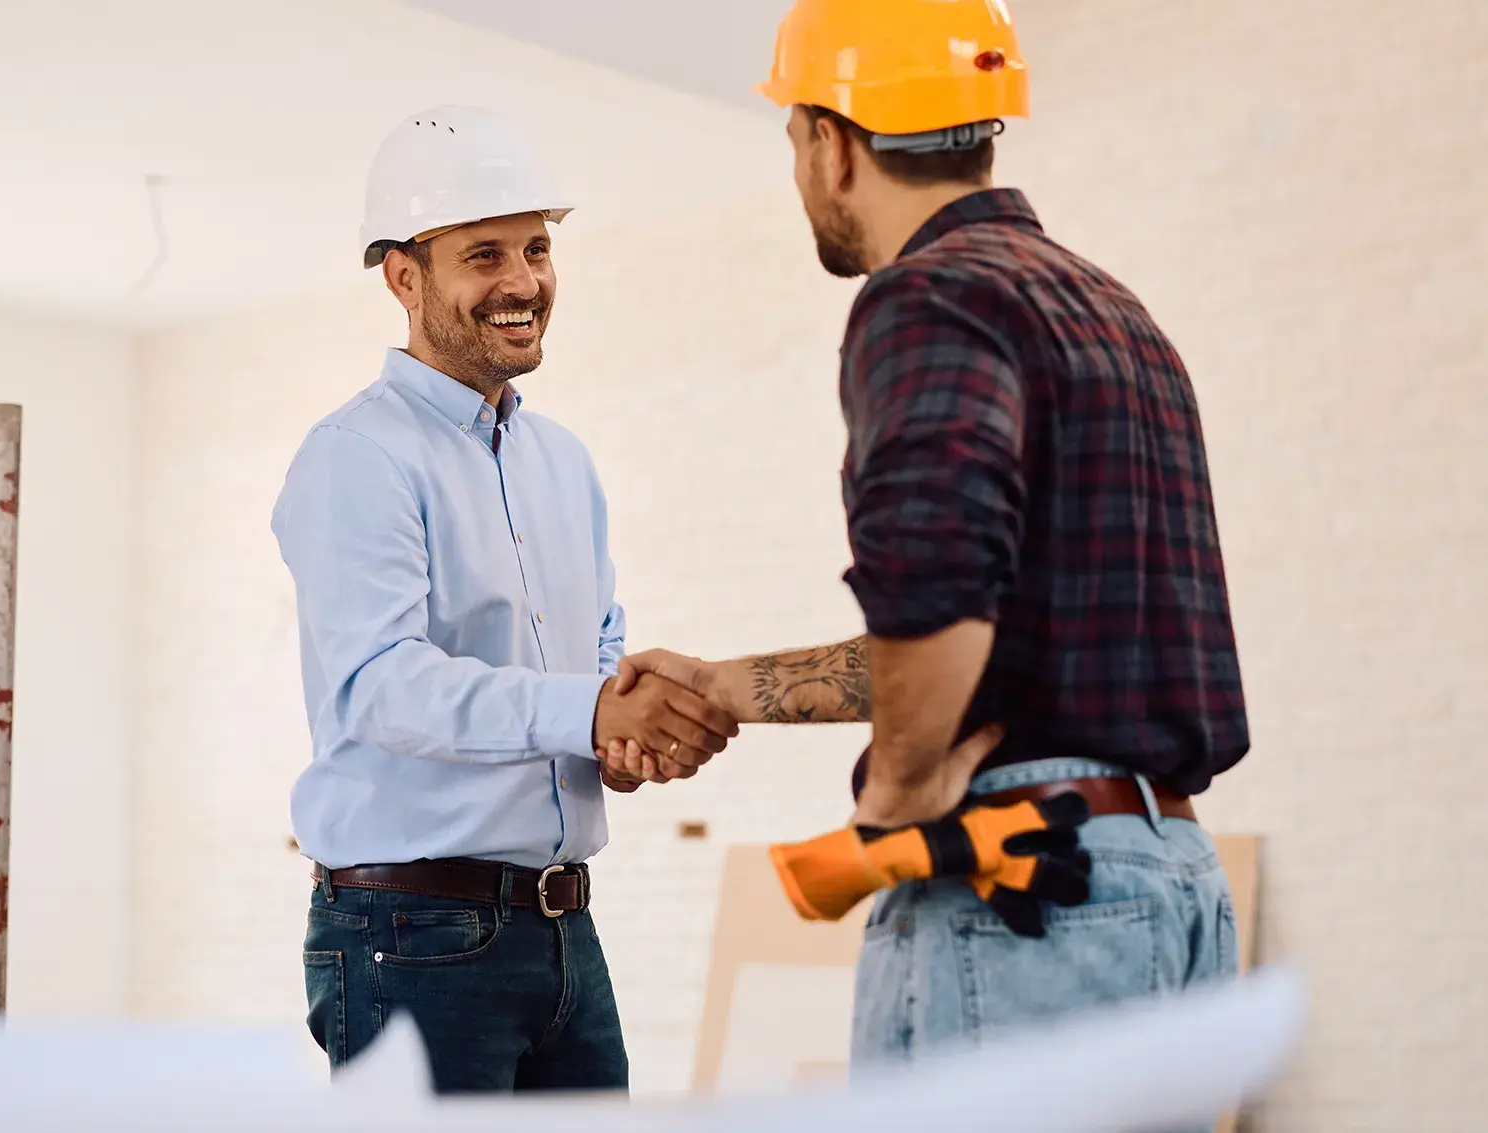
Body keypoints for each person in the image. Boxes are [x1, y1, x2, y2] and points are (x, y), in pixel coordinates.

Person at [602, 0, 1250, 1097]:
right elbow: (980, 635)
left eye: (795, 142)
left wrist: (895, 792)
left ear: (830, 140)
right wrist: (723, 685)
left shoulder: (927, 298)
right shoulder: (1109, 311)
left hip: (1025, 893)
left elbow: (938, 593)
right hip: (1166, 882)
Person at [271, 105, 739, 1094]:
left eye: (535, 247)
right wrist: (589, 707)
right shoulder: (357, 456)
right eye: (483, 254)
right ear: (403, 276)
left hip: (561, 924)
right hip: (412, 935)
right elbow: (380, 685)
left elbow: (593, 651)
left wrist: (622, 736)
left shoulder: (562, 461)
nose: (523, 281)